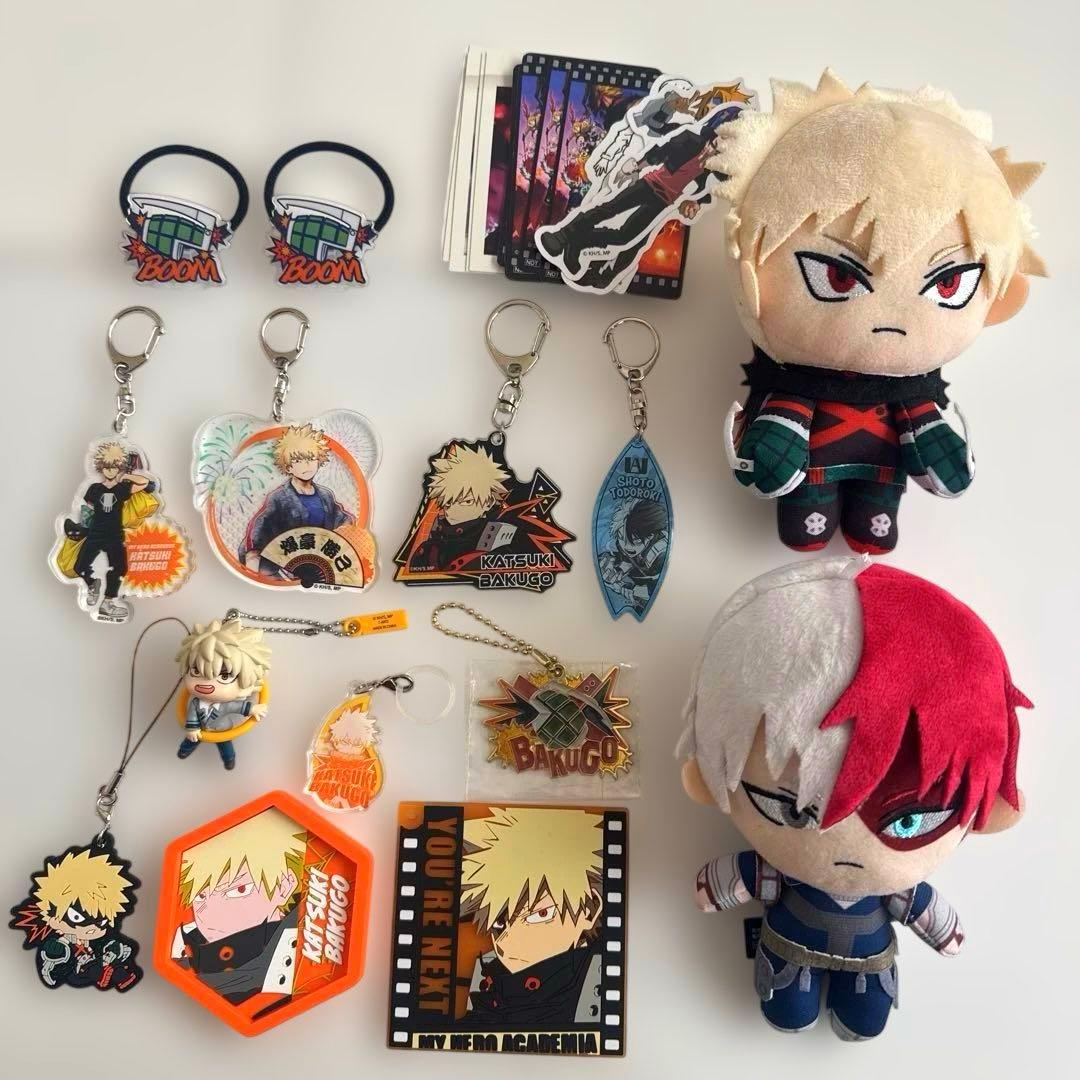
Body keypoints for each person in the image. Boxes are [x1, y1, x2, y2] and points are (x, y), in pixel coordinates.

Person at [678, 556, 1030, 1039]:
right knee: (790, 1007)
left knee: (865, 1014)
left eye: (909, 822)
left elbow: (930, 917)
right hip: (789, 954)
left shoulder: (897, 891)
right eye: (793, 809)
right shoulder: (785, 873)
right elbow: (734, 880)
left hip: (868, 964)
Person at [714, 70, 1044, 551]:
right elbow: (784, 426)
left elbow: (927, 431)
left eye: (948, 283)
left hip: (884, 471)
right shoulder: (796, 382)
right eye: (838, 276)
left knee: (875, 529)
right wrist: (772, 446)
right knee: (804, 525)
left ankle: (867, 521)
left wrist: (944, 454)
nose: (889, 319)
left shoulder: (912, 390)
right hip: (815, 469)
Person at [460, 807, 604, 1027]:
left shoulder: (598, 981)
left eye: (540, 914)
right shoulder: (488, 977)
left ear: (590, 909)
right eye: (499, 923)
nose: (507, 943)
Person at [171, 810, 307, 1005]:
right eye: (201, 897)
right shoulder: (181, 956)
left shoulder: (301, 951)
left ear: (284, 885)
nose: (211, 915)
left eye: (239, 890)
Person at [11, 845, 141, 991]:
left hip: (98, 962)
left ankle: (121, 977)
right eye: (77, 917)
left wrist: (114, 949)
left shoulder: (96, 940)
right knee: (91, 966)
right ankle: (100, 973)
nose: (91, 928)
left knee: (112, 956)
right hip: (77, 971)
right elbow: (51, 971)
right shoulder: (60, 943)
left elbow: (110, 944)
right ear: (53, 917)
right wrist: (56, 954)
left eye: (101, 922)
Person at [240, 424, 353, 577]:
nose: (306, 465)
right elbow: (259, 531)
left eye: (311, 458)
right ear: (288, 467)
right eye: (298, 460)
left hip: (317, 566)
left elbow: (343, 520)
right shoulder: (279, 498)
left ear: (319, 460)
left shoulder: (325, 495)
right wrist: (253, 566)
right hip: (283, 568)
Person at [70, 441, 153, 619]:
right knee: (79, 566)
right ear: (100, 466)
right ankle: (92, 584)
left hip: (114, 535)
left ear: (120, 467)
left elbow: (145, 482)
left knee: (120, 568)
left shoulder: (122, 488)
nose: (110, 470)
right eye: (106, 466)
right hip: (95, 533)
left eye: (114, 466)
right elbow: (87, 510)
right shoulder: (94, 488)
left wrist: (126, 476)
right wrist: (82, 527)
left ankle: (108, 602)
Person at [176, 618, 270, 771]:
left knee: (225, 746)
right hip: (200, 730)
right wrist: (192, 728)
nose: (207, 683)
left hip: (222, 731)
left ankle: (229, 759)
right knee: (191, 740)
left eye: (224, 676)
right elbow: (192, 715)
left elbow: (237, 706)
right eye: (196, 671)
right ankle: (184, 750)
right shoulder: (196, 703)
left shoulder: (225, 705)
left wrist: (253, 709)